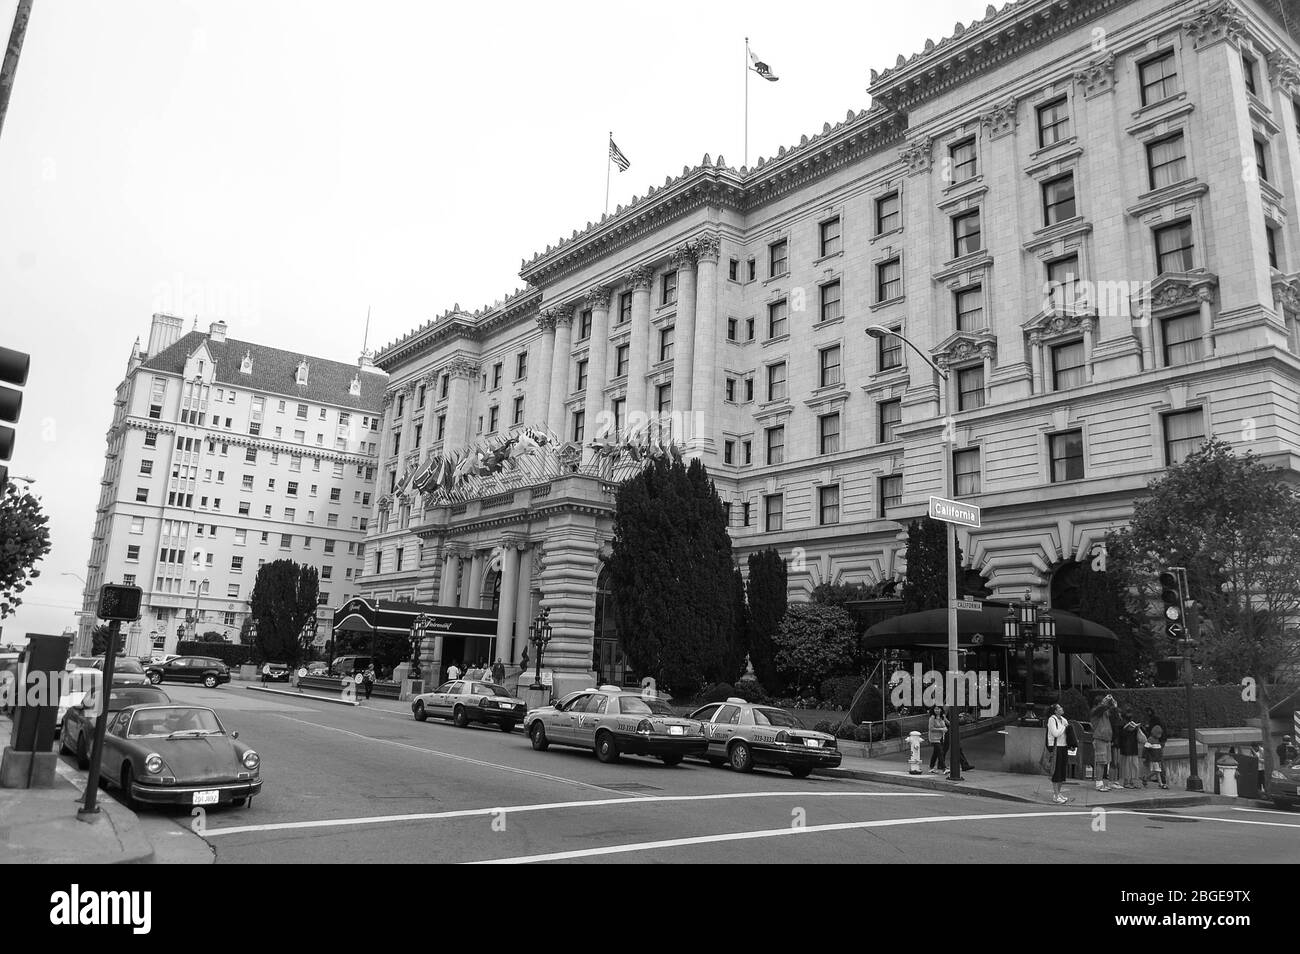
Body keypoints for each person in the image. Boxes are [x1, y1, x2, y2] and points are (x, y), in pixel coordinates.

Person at [1090, 694, 1120, 791]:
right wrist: (1105, 702)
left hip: (1107, 739)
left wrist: (1114, 706)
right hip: (1100, 738)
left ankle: (1101, 783)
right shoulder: (1095, 711)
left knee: (1105, 762)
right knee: (1100, 762)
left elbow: (1115, 717)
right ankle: (1098, 783)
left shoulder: (1104, 712)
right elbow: (1101, 708)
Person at [1047, 703, 1071, 803]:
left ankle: (1058, 793)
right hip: (1056, 747)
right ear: (1055, 711)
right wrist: (1064, 727)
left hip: (1064, 747)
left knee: (1062, 771)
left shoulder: (1063, 719)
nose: (1062, 708)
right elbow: (1055, 733)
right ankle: (1056, 795)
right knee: (1056, 772)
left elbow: (1067, 730)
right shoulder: (1052, 720)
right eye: (1059, 708)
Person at [1118, 711, 1145, 789]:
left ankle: (1132, 781)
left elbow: (1142, 738)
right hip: (1127, 749)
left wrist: (1138, 728)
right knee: (1129, 766)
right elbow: (1121, 737)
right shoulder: (1122, 726)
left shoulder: (1131, 727)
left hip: (1131, 748)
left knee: (1133, 766)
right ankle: (1127, 782)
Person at [927, 706, 948, 774]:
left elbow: (946, 724)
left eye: (938, 709)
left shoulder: (942, 717)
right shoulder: (932, 717)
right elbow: (931, 728)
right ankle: (944, 768)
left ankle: (931, 767)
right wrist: (941, 729)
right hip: (933, 738)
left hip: (940, 738)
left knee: (935, 753)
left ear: (941, 710)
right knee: (940, 752)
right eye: (935, 709)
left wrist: (945, 728)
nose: (937, 710)